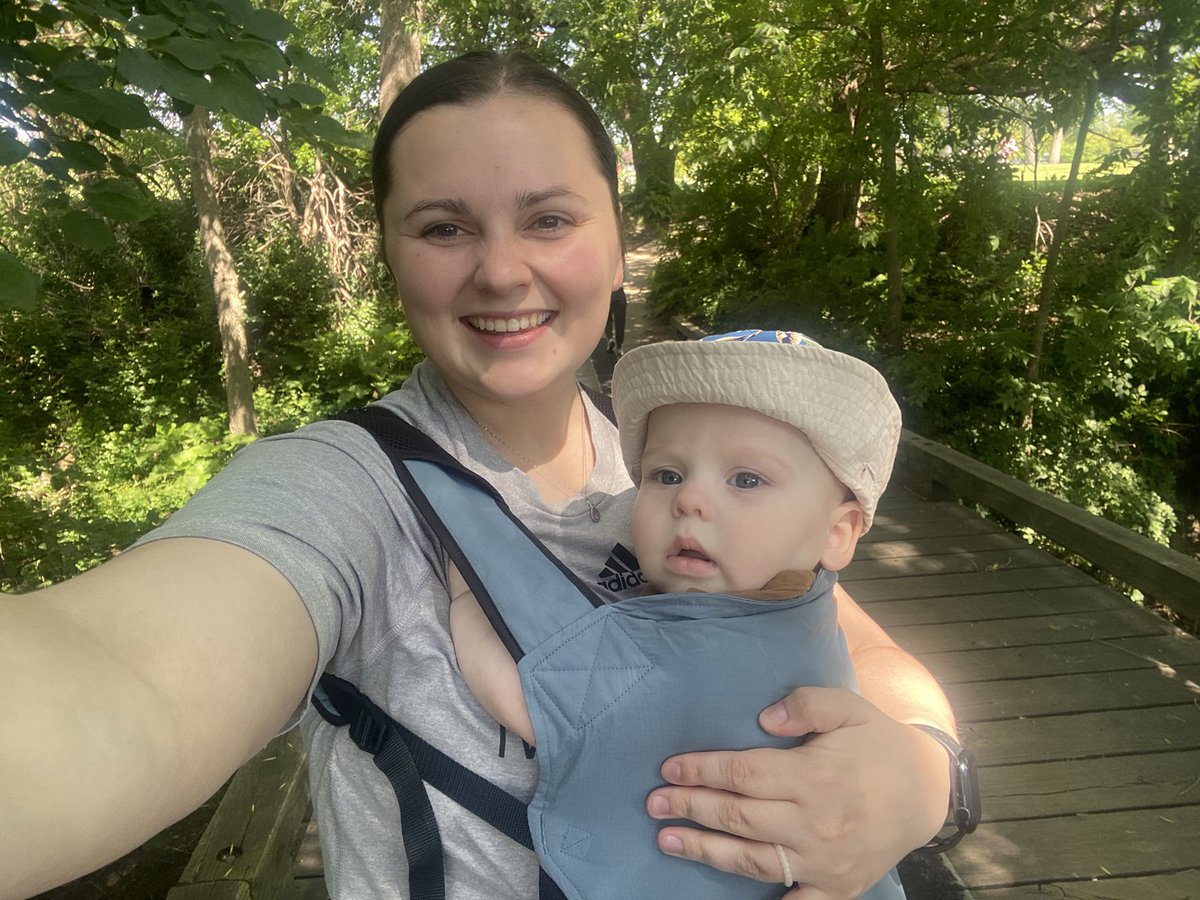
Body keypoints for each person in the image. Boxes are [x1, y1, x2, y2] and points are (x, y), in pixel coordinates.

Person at [0, 51, 956, 900]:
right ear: (390, 255)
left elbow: (846, 638)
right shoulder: (346, 493)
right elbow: (126, 681)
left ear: (618, 242)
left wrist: (926, 773)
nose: (502, 271)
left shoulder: (666, 461)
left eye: (548, 218)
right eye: (445, 228)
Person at [450, 328, 898, 752]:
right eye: (668, 475)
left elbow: (547, 711)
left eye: (745, 479)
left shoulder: (710, 646)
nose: (690, 499)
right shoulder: (804, 614)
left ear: (837, 533)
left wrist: (469, 591)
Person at [605, 285, 626, 354]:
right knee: (620, 322)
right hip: (620, 294)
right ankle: (619, 347)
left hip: (607, 294)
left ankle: (610, 338)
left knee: (606, 319)